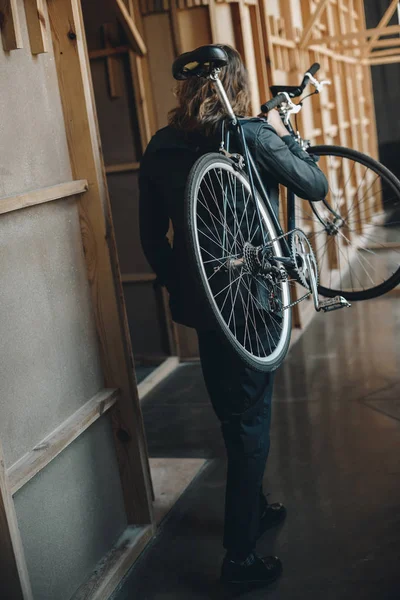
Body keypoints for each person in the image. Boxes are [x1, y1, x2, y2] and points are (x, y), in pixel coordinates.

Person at [139, 44, 328, 589]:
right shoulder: (248, 135)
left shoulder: (160, 146)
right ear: (238, 87)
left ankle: (257, 504)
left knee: (233, 408)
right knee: (250, 424)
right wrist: (288, 137)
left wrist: (182, 282)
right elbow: (315, 186)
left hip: (203, 303)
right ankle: (238, 558)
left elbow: (153, 237)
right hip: (253, 305)